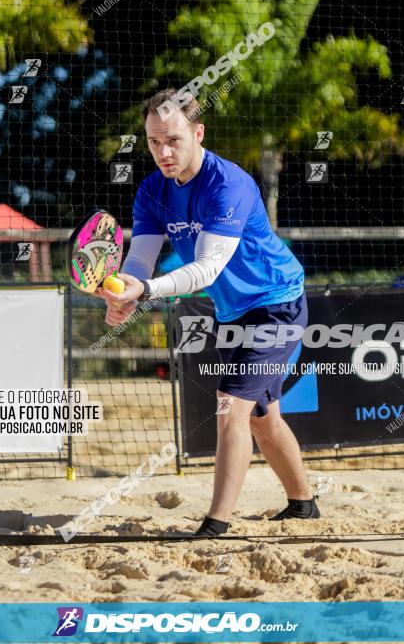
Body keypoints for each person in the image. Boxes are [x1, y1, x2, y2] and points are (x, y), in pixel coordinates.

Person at [98, 88, 320, 538]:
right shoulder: (151, 190)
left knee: (229, 408)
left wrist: (146, 291)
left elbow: (205, 269)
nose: (163, 151)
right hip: (234, 312)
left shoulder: (229, 184)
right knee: (262, 415)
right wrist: (125, 293)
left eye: (173, 140)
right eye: (154, 141)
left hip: (276, 303)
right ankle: (303, 505)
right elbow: (139, 262)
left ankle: (215, 525)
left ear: (198, 133)